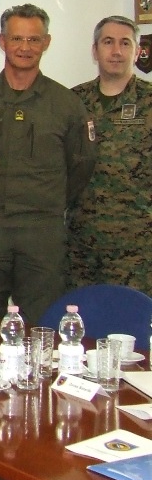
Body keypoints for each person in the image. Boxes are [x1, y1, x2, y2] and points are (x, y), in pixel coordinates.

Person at [0, 3, 95, 325]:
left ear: (46, 43)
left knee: (41, 323)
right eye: (17, 38)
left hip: (41, 232)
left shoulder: (67, 104)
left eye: (34, 39)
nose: (25, 47)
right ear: (2, 41)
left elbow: (81, 165)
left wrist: (48, 202)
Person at [69, 16, 152, 293]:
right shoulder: (72, 102)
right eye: (108, 42)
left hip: (138, 248)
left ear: (138, 52)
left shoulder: (149, 101)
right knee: (80, 316)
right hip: (80, 244)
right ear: (95, 51)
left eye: (125, 43)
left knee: (132, 319)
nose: (116, 51)